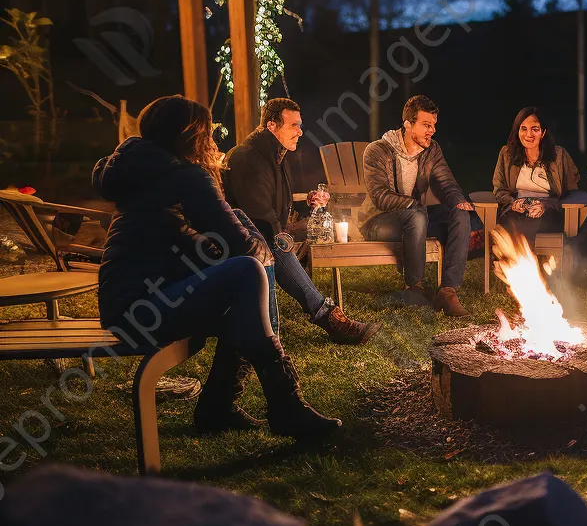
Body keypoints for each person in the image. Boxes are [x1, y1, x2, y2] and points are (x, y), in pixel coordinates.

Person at [93, 95, 343, 439]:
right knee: (247, 270)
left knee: (243, 271)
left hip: (126, 302)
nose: (212, 138)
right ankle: (281, 402)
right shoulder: (186, 175)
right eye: (207, 131)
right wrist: (262, 254)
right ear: (190, 135)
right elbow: (242, 246)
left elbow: (175, 234)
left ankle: (222, 406)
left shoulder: (144, 168)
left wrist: (231, 244)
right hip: (143, 310)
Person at [224, 97, 379, 346]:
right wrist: (286, 238)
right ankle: (329, 319)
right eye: (293, 125)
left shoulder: (274, 156)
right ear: (272, 126)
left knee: (311, 227)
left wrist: (306, 203)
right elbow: (258, 219)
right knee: (279, 245)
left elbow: (274, 205)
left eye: (300, 125)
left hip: (263, 232)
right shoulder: (249, 159)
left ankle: (328, 314)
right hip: (241, 242)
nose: (300, 131)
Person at [359, 94, 474, 316]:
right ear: (408, 125)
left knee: (459, 214)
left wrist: (459, 201)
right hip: (379, 221)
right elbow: (380, 196)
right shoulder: (378, 150)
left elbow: (446, 183)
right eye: (426, 125)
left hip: (416, 218)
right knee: (417, 215)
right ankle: (415, 287)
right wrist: (413, 205)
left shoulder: (431, 150)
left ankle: (448, 291)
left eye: (433, 125)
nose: (432, 130)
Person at [492, 106, 587, 245]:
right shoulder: (507, 154)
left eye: (535, 129)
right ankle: (521, 260)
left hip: (548, 210)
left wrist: (545, 205)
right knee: (511, 221)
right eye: (523, 128)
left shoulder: (558, 156)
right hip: (516, 209)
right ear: (517, 130)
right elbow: (499, 189)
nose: (529, 134)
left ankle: (529, 259)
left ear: (543, 132)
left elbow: (571, 191)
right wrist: (512, 202)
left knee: (539, 222)